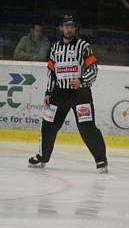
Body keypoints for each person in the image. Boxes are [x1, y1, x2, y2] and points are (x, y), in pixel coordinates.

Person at [28, 15, 108, 172]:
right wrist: (48, 92)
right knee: (48, 125)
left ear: (75, 28)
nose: (69, 29)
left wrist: (82, 81)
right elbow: (52, 72)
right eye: (66, 26)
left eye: (71, 26)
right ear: (61, 28)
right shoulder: (55, 48)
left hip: (81, 93)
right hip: (59, 93)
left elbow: (93, 69)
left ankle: (101, 160)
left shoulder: (83, 46)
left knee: (87, 127)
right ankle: (43, 157)